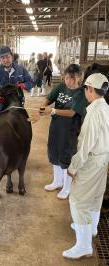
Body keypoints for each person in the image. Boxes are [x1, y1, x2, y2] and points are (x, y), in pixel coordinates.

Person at [62, 73, 109, 259]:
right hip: (103, 158)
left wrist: (73, 168)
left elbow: (85, 147)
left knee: (79, 201)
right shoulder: (105, 107)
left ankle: (83, 246)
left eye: (86, 89)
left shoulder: (93, 114)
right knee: (96, 196)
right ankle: (91, 229)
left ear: (90, 89)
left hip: (91, 160)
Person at [39, 64, 87, 199]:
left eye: (73, 78)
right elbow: (49, 98)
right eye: (67, 78)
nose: (69, 81)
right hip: (55, 127)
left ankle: (67, 187)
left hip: (70, 130)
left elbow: (72, 113)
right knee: (54, 153)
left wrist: (53, 110)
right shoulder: (60, 87)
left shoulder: (81, 93)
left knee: (66, 157)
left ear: (79, 78)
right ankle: (57, 181)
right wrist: (43, 105)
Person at [0, 45, 33, 112]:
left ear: (12, 57)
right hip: (0, 103)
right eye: (2, 58)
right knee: (1, 121)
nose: (6, 60)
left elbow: (30, 82)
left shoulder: (20, 69)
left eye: (8, 57)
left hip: (17, 102)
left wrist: (23, 85)